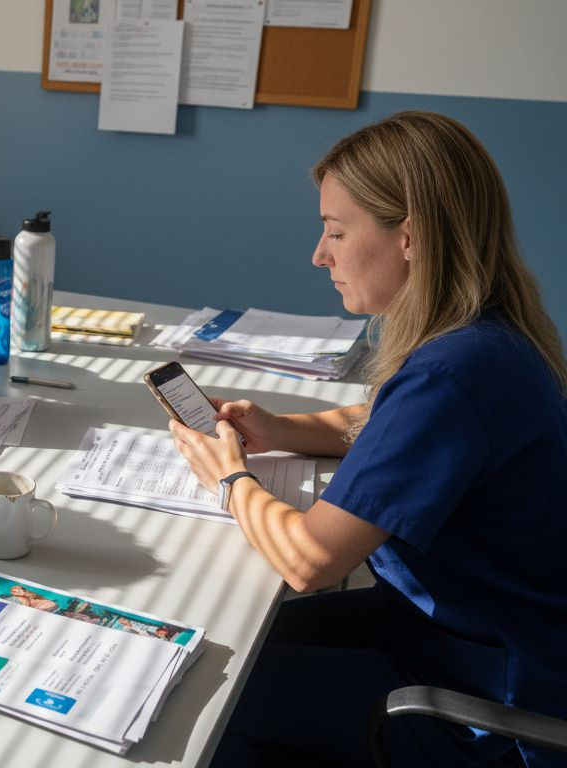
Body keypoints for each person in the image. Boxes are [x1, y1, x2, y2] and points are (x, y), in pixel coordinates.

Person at [168, 112, 567, 767]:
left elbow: (309, 563)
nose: (320, 254)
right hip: (444, 634)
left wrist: (229, 478)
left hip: (485, 699)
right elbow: (382, 422)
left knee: (203, 697)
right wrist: (279, 429)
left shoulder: (452, 376)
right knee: (218, 640)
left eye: (336, 231)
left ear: (410, 237)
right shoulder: (487, 337)